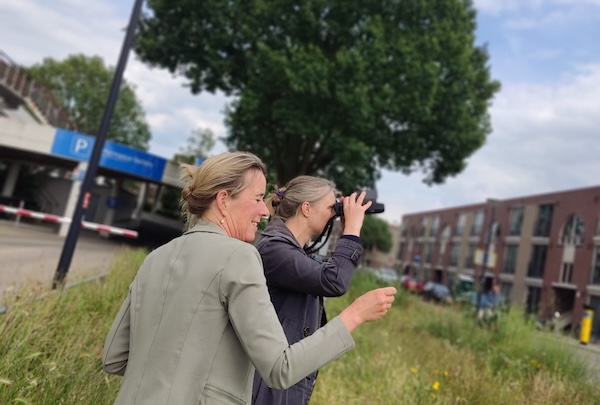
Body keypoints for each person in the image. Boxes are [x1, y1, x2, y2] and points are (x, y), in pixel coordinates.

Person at [102, 151, 397, 405]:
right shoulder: (239, 257)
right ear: (223, 200)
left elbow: (114, 358)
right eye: (257, 198)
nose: (264, 210)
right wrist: (355, 315)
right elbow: (281, 368)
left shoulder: (156, 257)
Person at [252, 176, 371, 405]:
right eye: (331, 208)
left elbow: (327, 274)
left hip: (279, 381)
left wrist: (346, 226)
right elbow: (334, 280)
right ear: (306, 208)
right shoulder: (274, 249)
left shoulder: (292, 251)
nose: (333, 215)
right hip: (266, 386)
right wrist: (352, 230)